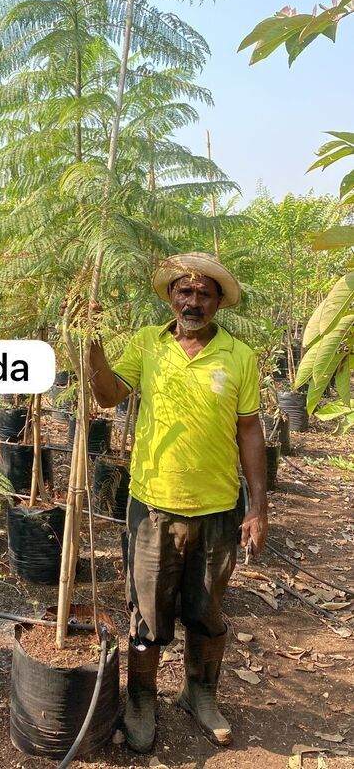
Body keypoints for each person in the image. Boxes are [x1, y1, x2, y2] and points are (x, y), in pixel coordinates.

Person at [87, 252, 267, 753]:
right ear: (171, 297)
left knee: (207, 610)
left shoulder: (239, 356)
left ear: (217, 304)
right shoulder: (147, 344)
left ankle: (199, 693)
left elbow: (250, 431)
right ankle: (142, 700)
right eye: (184, 292)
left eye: (203, 294)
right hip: (153, 507)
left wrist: (257, 506)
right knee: (148, 612)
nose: (192, 302)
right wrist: (93, 348)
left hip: (217, 508)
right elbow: (106, 396)